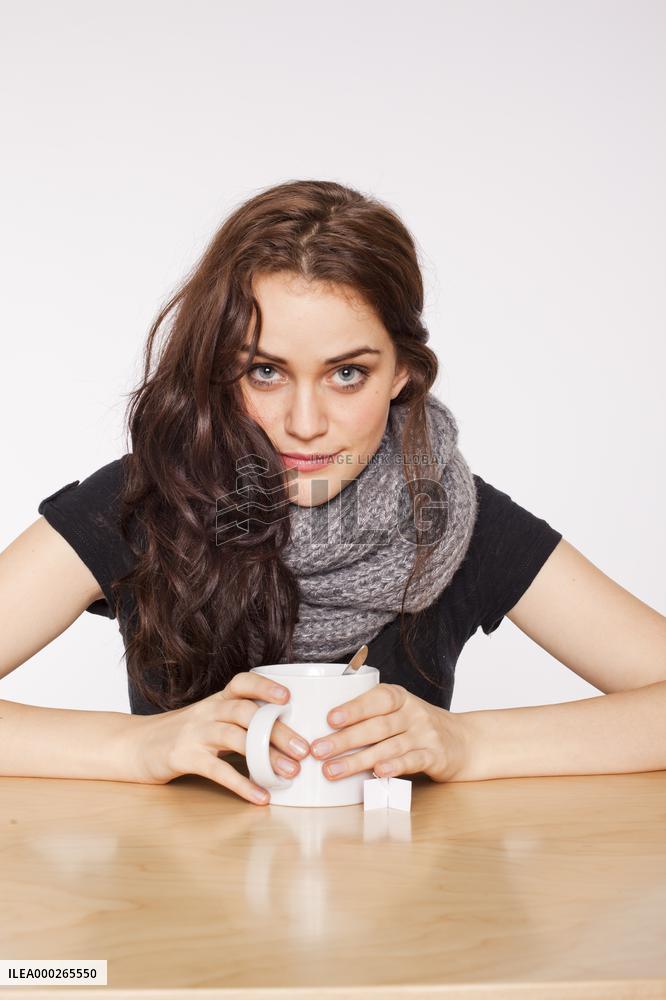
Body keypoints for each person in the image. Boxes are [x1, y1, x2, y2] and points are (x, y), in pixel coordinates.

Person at [2, 180, 665, 806]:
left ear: (403, 370)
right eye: (265, 371)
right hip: (179, 912)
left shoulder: (449, 515)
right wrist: (139, 748)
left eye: (347, 373)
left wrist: (467, 743)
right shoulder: (146, 498)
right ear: (217, 370)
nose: (305, 422)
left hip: (401, 911)